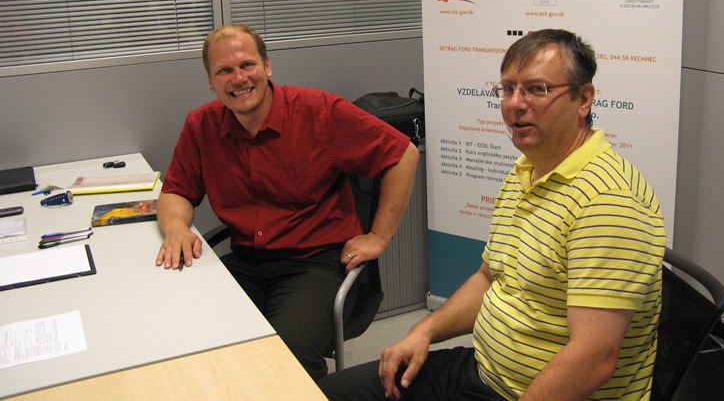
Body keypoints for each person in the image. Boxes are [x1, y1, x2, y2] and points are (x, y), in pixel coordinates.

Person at [319, 29, 666, 401]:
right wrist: (424, 331)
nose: (515, 104)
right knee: (321, 394)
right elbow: (489, 277)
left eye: (537, 89)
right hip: (483, 373)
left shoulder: (608, 202)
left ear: (583, 99)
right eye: (508, 88)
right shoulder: (526, 170)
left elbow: (593, 358)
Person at [155, 23, 420, 381]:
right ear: (211, 81)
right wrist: (176, 229)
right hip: (246, 261)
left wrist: (379, 236)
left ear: (267, 66)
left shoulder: (319, 113)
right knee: (192, 339)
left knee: (287, 359)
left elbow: (403, 154)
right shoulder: (201, 126)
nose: (238, 78)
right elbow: (177, 191)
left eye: (247, 65)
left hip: (315, 265)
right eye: (225, 70)